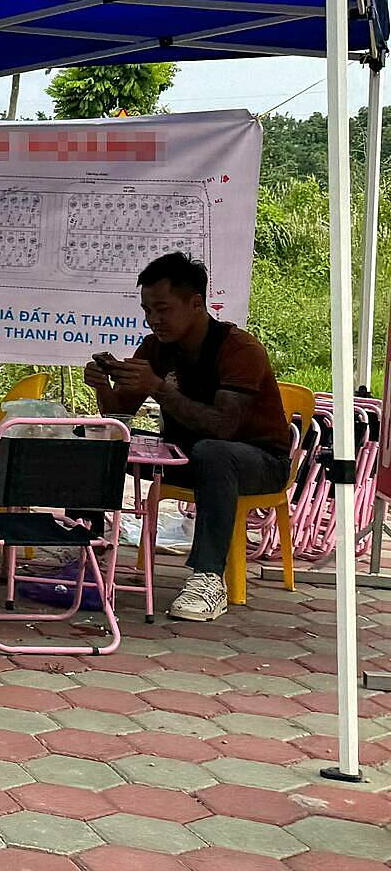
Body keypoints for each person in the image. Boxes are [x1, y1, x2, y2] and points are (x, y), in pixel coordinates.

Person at [85, 251, 293, 622]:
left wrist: (158, 388)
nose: (153, 320)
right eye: (147, 310)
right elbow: (119, 416)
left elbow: (223, 427)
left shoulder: (239, 349)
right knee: (101, 439)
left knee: (214, 452)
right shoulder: (155, 348)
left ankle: (208, 577)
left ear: (196, 304)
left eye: (163, 309)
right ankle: (83, 547)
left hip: (258, 461)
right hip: (184, 453)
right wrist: (103, 384)